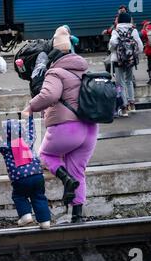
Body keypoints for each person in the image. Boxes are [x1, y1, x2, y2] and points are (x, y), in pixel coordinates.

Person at [22, 26, 98, 223]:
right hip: (90, 128)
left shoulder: (56, 72)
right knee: (78, 170)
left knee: (46, 155)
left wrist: (30, 107)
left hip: (67, 127)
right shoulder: (85, 69)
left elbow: (49, 95)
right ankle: (77, 215)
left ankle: (66, 179)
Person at [0, 117, 51, 229]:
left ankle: (26, 215)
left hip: (20, 178)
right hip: (37, 175)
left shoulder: (5, 146)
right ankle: (45, 221)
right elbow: (32, 130)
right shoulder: (28, 140)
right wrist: (30, 118)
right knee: (39, 197)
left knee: (19, 196)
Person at [109, 13, 143, 115]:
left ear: (119, 20)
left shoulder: (116, 31)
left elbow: (113, 43)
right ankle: (132, 105)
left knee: (120, 83)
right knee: (129, 81)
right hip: (130, 60)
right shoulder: (134, 30)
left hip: (118, 60)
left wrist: (114, 50)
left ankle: (124, 108)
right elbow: (140, 47)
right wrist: (132, 54)